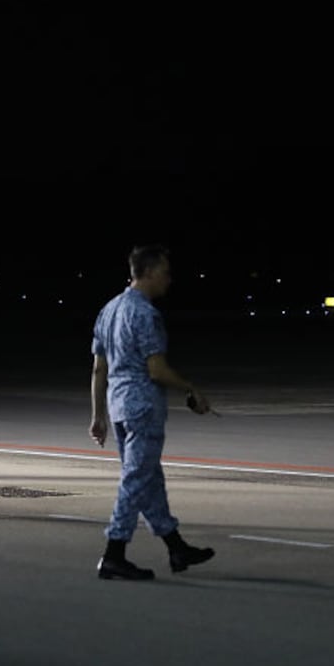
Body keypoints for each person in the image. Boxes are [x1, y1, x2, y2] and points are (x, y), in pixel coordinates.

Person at [89, 244, 216, 580]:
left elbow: (98, 369)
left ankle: (176, 546)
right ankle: (114, 552)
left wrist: (98, 414)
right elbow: (156, 370)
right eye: (164, 272)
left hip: (119, 408)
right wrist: (190, 387)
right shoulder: (145, 314)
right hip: (142, 408)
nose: (169, 280)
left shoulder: (109, 309)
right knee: (136, 479)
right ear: (146, 273)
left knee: (148, 479)